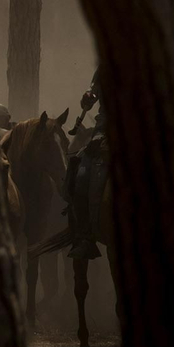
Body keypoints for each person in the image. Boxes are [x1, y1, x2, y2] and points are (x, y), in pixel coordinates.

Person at [62, 76, 108, 259]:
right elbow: (93, 91)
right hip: (104, 130)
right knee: (81, 174)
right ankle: (84, 236)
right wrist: (88, 96)